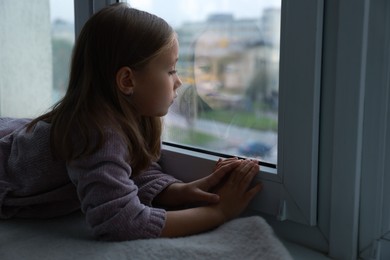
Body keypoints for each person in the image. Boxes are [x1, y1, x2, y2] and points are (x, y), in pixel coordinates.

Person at [0, 3, 262, 241]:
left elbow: (134, 171)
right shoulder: (97, 134)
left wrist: (185, 190)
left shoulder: (126, 117)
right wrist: (219, 213)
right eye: (170, 70)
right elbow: (120, 222)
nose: (179, 81)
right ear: (127, 81)